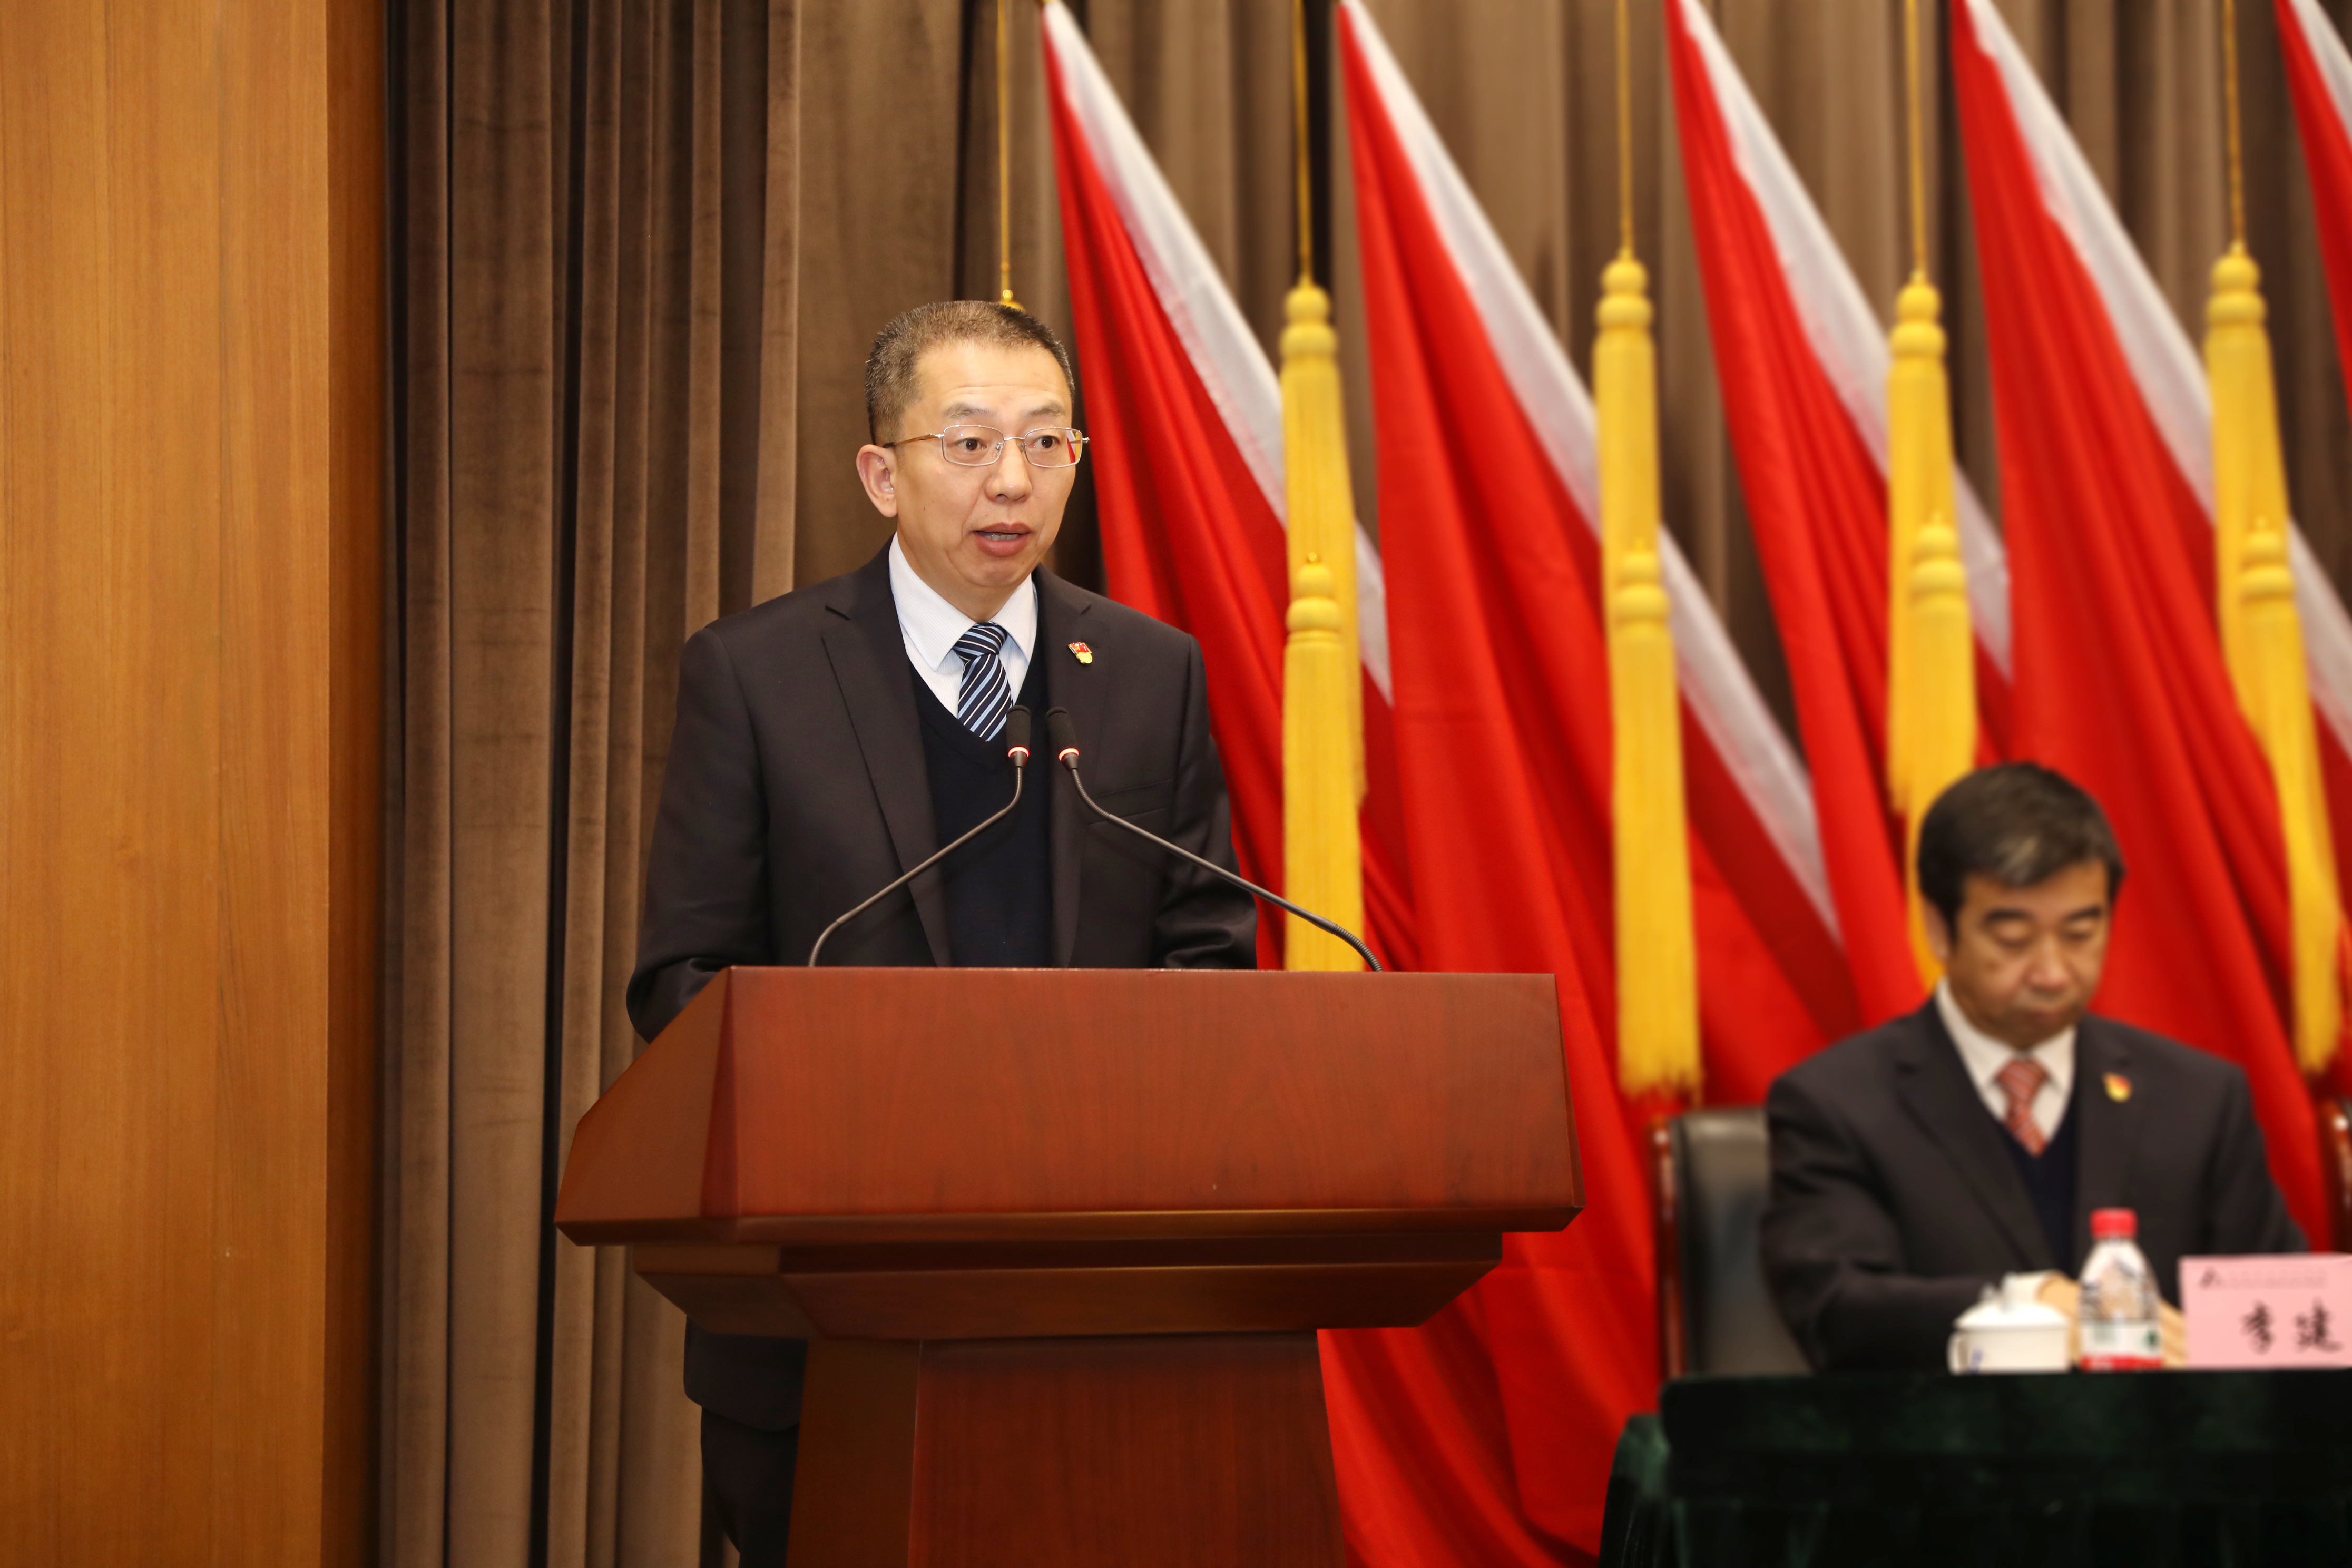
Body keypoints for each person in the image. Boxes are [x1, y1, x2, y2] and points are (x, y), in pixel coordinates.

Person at [625, 300, 1257, 1562]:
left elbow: (1208, 955)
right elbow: (681, 981)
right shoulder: (754, 675)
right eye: (967, 442)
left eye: (1045, 441)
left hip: (1092, 1320)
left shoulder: (1151, 674)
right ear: (881, 473)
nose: (1010, 480)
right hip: (825, 1320)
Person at [1760, 762, 2305, 1371]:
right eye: (2014, 940)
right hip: (1946, 1432)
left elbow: (2279, 1315)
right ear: (1939, 929)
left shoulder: (2197, 1098)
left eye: (2080, 933)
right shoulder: (1838, 1105)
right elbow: (1838, 1311)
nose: (2052, 972)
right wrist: (2022, 1305)